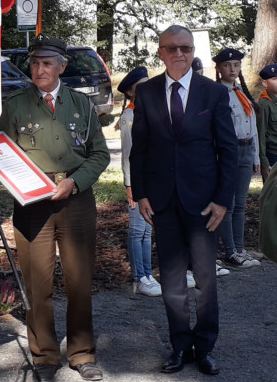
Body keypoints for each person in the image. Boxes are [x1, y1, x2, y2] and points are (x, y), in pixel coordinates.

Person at [0, 34, 109, 382]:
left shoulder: (81, 105)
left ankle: (82, 353)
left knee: (79, 281)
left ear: (62, 66)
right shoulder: (15, 106)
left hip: (76, 199)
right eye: (35, 62)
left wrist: (75, 182)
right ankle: (44, 356)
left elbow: (99, 154)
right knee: (37, 284)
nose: (39, 69)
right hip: (32, 203)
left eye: (47, 63)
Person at [130, 25, 238, 376]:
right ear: (160, 52)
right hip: (162, 201)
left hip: (204, 203)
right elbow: (139, 150)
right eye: (172, 48)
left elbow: (228, 149)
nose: (179, 54)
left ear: (193, 52)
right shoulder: (145, 93)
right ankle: (180, 346)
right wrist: (141, 194)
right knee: (173, 282)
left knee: (206, 281)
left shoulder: (213, 93)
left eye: (186, 48)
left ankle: (204, 347)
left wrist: (223, 201)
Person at [212, 47, 264, 269]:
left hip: (246, 149)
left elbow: (252, 127)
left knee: (241, 203)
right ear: (219, 68)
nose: (232, 69)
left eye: (236, 65)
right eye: (227, 65)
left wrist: (256, 158)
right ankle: (230, 251)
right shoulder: (216, 93)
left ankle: (240, 249)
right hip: (228, 151)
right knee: (229, 203)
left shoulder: (241, 91)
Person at [117, 66, 161, 297]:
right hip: (137, 181)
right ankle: (139, 276)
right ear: (131, 94)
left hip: (153, 180)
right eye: (140, 86)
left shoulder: (153, 111)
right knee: (137, 229)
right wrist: (129, 185)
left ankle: (147, 274)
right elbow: (127, 155)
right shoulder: (129, 116)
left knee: (147, 230)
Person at [259, 63, 277, 173]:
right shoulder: (264, 104)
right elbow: (261, 134)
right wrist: (264, 163)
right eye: (275, 79)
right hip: (273, 155)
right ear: (265, 83)